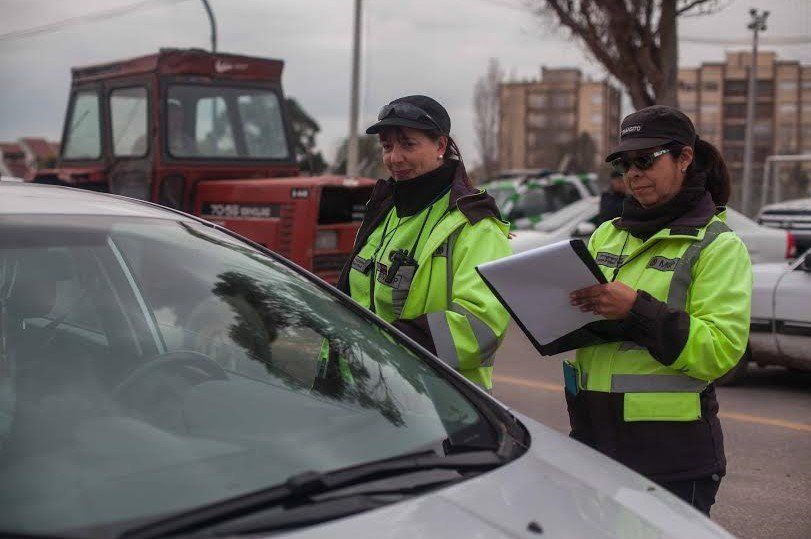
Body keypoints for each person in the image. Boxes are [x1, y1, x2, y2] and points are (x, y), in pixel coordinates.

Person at [565, 105, 752, 515]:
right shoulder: (606, 234)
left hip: (670, 460)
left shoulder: (717, 245)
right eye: (625, 163)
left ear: (685, 158)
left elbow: (720, 351)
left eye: (646, 160)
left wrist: (635, 309)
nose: (633, 173)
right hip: (595, 445)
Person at [335, 95, 511, 391]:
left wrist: (383, 343)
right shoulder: (384, 211)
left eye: (408, 144)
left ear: (440, 146)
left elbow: (482, 327)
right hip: (367, 394)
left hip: (442, 408)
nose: (394, 158)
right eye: (387, 146)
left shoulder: (475, 224)